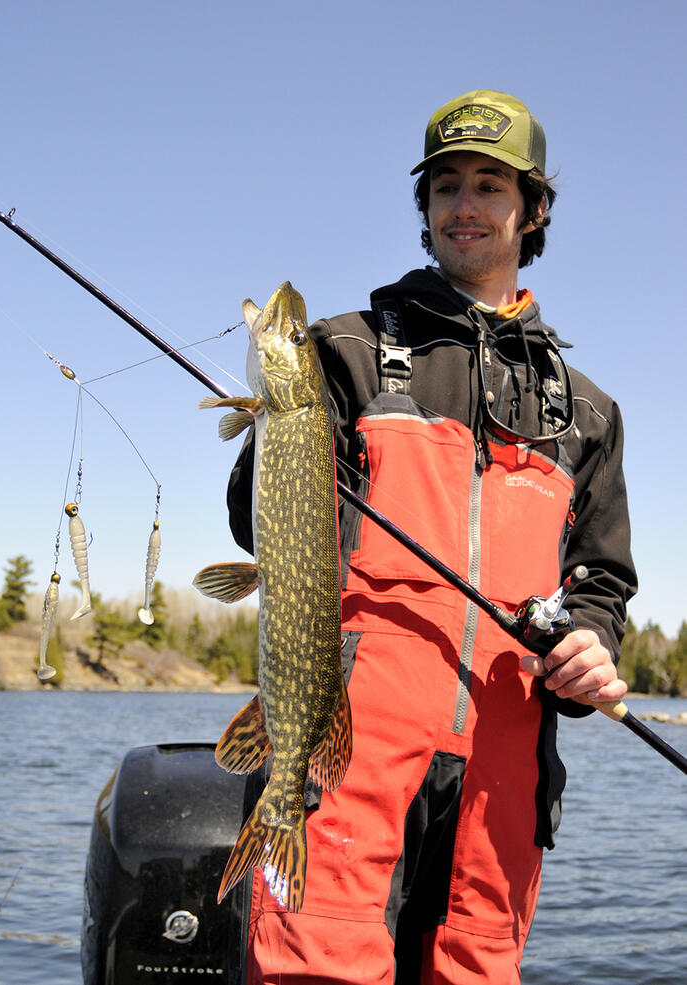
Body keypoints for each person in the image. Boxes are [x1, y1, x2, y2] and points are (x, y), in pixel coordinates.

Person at [226, 90, 637, 985]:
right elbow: (260, 519)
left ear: (531, 212)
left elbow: (601, 581)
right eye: (445, 184)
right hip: (350, 757)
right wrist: (274, 418)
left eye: (491, 185)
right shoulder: (347, 351)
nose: (464, 204)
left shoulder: (590, 412)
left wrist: (591, 648)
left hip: (501, 778)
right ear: (424, 209)